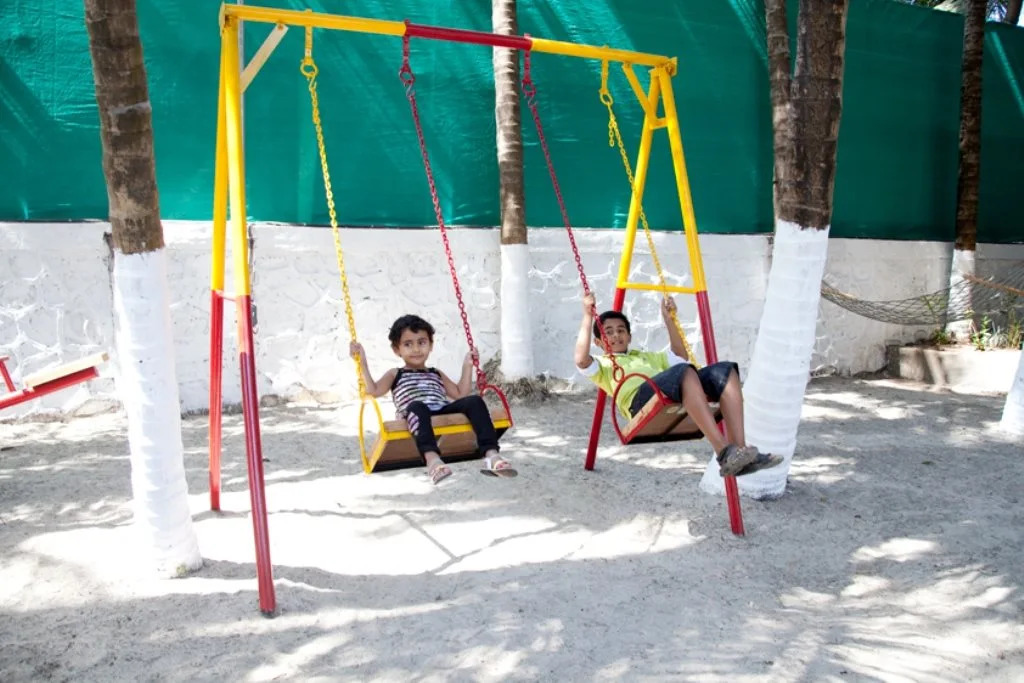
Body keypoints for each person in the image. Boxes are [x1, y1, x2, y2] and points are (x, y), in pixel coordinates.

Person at [574, 292, 782, 477]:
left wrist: (669, 319)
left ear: (629, 337)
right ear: (598, 342)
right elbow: (581, 360)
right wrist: (587, 316)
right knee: (685, 371)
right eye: (608, 332)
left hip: (666, 390)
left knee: (726, 371)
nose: (616, 335)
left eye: (621, 330)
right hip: (640, 402)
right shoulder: (602, 365)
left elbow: (680, 356)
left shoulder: (648, 356)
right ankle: (723, 451)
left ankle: (740, 450)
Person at [350, 314, 517, 484]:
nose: (416, 349)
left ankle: (491, 455)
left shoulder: (436, 373)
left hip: (441, 409)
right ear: (396, 349)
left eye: (422, 342)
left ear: (431, 345)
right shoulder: (396, 374)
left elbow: (460, 393)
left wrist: (467, 365)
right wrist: (361, 363)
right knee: (417, 406)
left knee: (474, 401)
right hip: (414, 414)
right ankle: (433, 461)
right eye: (408, 344)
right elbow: (373, 391)